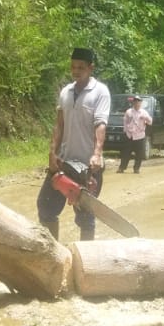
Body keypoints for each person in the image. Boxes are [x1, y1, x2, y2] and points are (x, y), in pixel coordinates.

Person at [36, 47, 111, 241]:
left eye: (81, 67)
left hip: (87, 167)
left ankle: (86, 262)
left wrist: (97, 154)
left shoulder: (100, 92)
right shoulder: (65, 92)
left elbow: (100, 126)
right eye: (73, 67)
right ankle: (54, 256)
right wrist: (52, 153)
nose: (76, 71)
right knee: (45, 208)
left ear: (90, 67)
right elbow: (59, 125)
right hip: (64, 163)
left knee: (85, 217)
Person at [119, 95, 150, 173]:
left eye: (138, 102)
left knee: (139, 154)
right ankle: (122, 168)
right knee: (125, 153)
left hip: (139, 136)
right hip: (130, 135)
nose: (137, 103)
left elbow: (150, 122)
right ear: (133, 103)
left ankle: (136, 168)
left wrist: (145, 118)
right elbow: (125, 122)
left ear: (141, 103)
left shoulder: (144, 112)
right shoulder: (129, 111)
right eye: (135, 102)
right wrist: (125, 131)